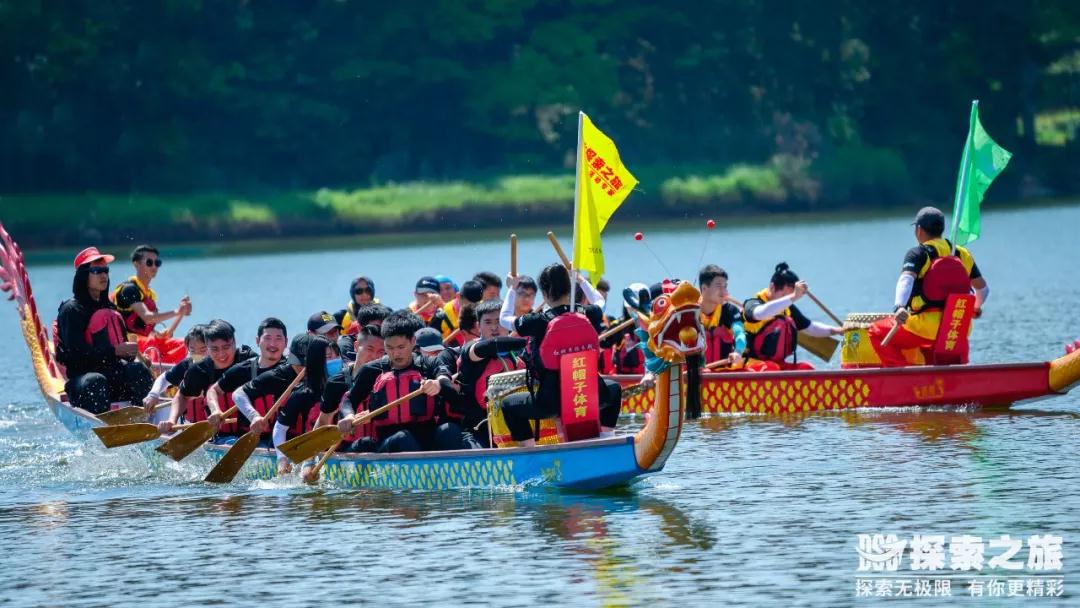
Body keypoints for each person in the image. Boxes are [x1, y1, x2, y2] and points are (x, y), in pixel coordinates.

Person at [501, 264, 622, 447]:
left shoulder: (537, 321)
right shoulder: (586, 313)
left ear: (545, 294)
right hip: (591, 394)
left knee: (509, 405)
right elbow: (600, 302)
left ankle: (530, 451)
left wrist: (511, 287)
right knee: (614, 390)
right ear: (570, 288)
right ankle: (606, 440)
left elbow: (504, 318)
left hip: (550, 402)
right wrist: (580, 279)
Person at [868, 207, 988, 366]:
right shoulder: (961, 253)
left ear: (919, 230)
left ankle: (903, 379)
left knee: (875, 332)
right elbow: (983, 289)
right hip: (957, 329)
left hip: (924, 328)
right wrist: (975, 308)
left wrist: (899, 307)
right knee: (938, 353)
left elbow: (906, 280)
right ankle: (946, 381)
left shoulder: (918, 253)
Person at [337, 311, 460, 453]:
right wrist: (348, 416)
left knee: (450, 430)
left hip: (426, 441)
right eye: (389, 348)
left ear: (413, 342)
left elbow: (446, 381)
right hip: (389, 445)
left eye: (401, 347)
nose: (396, 354)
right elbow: (349, 401)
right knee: (402, 438)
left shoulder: (429, 364)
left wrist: (438, 385)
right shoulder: (371, 370)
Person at [55, 247, 153, 414]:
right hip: (84, 382)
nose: (103, 275)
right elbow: (75, 355)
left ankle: (145, 418)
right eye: (96, 271)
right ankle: (102, 428)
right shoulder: (71, 310)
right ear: (83, 275)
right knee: (96, 380)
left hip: (113, 377)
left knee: (138, 371)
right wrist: (114, 351)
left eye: (105, 271)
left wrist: (131, 354)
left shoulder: (109, 307)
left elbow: (121, 347)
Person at [157, 319, 256, 434]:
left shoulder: (251, 361)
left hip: (255, 432)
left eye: (226, 347)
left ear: (234, 342)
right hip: (219, 436)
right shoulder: (198, 370)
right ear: (207, 347)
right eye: (215, 349)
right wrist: (172, 420)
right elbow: (182, 396)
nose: (221, 354)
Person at [452, 299, 527, 448]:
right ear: (478, 326)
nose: (494, 327)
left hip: (510, 429)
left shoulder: (519, 361)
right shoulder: (471, 350)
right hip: (478, 430)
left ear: (507, 323)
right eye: (487, 322)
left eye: (500, 321)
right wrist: (527, 338)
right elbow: (491, 345)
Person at [742, 263, 843, 371]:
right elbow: (761, 313)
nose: (788, 301)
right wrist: (793, 296)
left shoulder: (787, 309)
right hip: (752, 364)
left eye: (791, 297)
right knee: (771, 369)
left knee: (806, 368)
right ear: (772, 287)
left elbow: (811, 328)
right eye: (786, 296)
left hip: (777, 364)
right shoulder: (752, 304)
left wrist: (838, 330)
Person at [204, 317, 288, 438]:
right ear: (258, 341)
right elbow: (214, 390)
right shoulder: (242, 370)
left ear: (286, 342)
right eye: (267, 338)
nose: (272, 344)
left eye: (278, 339)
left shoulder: (293, 370)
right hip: (251, 438)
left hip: (285, 439)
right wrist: (215, 410)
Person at [273, 336, 342, 476]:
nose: (334, 361)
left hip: (346, 447)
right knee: (307, 475)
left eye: (337, 356)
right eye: (328, 357)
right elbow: (280, 428)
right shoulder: (303, 394)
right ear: (316, 362)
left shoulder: (349, 384)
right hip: (314, 451)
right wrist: (282, 459)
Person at [111, 245, 192, 363]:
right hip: (128, 343)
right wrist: (177, 311)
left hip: (146, 341)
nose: (154, 266)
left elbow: (164, 335)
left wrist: (181, 313)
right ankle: (154, 377)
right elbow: (148, 318)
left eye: (157, 262)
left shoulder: (150, 295)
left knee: (188, 344)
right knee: (152, 343)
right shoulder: (129, 289)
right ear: (136, 264)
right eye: (149, 262)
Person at [143, 324, 209, 411]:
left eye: (203, 350)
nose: (197, 355)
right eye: (192, 350)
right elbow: (164, 379)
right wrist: (153, 394)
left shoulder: (222, 365)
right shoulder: (187, 364)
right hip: (191, 421)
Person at [698, 264, 746, 367]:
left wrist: (738, 351)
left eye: (725, 287)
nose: (724, 291)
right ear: (704, 288)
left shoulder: (730, 310)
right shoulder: (690, 311)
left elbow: (739, 333)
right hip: (695, 374)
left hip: (724, 374)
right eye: (719, 286)